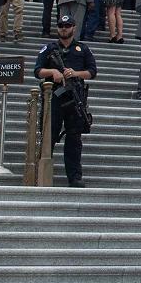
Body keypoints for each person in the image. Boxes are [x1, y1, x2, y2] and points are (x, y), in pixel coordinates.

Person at [34, 13, 95, 188]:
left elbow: (92, 71)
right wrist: (52, 73)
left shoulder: (82, 49)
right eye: (61, 26)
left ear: (74, 28)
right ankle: (42, 173)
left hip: (75, 99)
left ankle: (74, 176)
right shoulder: (49, 49)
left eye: (67, 26)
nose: (64, 29)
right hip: (54, 96)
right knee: (48, 136)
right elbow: (37, 70)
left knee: (74, 139)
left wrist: (75, 73)